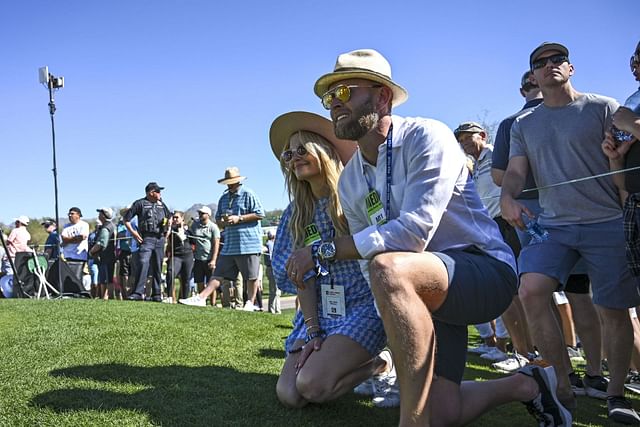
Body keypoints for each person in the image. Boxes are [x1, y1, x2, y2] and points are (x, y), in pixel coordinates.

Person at [285, 48, 572, 426]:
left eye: (344, 93)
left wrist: (322, 250)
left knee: (390, 265)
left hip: (483, 271)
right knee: (443, 413)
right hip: (419, 291)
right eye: (328, 97)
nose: (333, 105)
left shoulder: (426, 135)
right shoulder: (353, 179)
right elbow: (367, 259)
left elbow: (413, 232)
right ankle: (528, 384)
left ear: (382, 96)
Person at [501, 41, 640, 423]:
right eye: (540, 62)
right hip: (554, 226)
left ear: (570, 67)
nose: (550, 65)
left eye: (557, 59)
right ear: (533, 75)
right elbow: (514, 171)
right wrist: (507, 198)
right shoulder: (523, 124)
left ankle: (615, 394)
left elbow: (624, 155)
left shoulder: (603, 107)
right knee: (530, 290)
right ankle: (562, 384)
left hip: (606, 221)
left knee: (614, 310)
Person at [492, 71, 605, 390]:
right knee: (572, 293)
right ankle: (587, 374)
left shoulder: (515, 122)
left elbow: (502, 176)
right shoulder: (521, 123)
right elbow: (504, 176)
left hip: (549, 213)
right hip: (556, 211)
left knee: (548, 294)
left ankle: (572, 374)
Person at [269, 110, 388, 408]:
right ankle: (362, 362)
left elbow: (381, 244)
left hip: (362, 306)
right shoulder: (295, 214)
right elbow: (298, 277)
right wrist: (313, 331)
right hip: (318, 313)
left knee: (312, 385)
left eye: (302, 149)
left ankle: (380, 364)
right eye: (288, 154)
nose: (294, 157)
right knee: (290, 395)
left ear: (324, 151)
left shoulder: (355, 197)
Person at [214, 167, 265, 311]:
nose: (230, 185)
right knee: (220, 274)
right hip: (231, 244)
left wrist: (240, 218)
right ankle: (202, 297)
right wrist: (223, 221)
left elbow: (260, 214)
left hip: (249, 242)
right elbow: (218, 219)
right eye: (228, 182)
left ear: (238, 181)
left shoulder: (249, 194)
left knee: (251, 275)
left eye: (232, 182)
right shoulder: (223, 198)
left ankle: (249, 302)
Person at [124, 182, 171, 302]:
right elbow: (126, 219)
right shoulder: (139, 203)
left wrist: (167, 230)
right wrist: (134, 233)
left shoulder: (162, 204)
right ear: (151, 192)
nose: (160, 194)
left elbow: (169, 216)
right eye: (158, 191)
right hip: (146, 238)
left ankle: (157, 294)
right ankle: (138, 293)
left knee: (158, 266)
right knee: (143, 262)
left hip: (160, 238)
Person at [189, 206, 221, 301]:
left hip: (209, 259)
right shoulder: (195, 225)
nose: (200, 215)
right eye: (200, 213)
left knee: (211, 282)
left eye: (202, 213)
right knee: (199, 282)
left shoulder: (213, 227)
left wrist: (214, 260)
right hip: (198, 258)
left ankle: (213, 303)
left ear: (208, 215)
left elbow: (216, 244)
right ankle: (201, 301)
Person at [165, 211, 194, 303]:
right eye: (174, 217)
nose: (175, 219)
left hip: (187, 256)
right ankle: (169, 297)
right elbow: (165, 236)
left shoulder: (189, 231)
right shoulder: (171, 230)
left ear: (182, 219)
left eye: (177, 217)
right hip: (176, 256)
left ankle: (184, 299)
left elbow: (194, 243)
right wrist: (169, 227)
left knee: (186, 278)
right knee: (170, 272)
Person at [89, 208, 117, 300]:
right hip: (109, 256)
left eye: (100, 213)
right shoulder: (111, 225)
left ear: (103, 215)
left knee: (106, 279)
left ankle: (107, 298)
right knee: (107, 278)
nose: (98, 215)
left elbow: (101, 243)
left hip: (106, 256)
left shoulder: (106, 227)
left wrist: (92, 251)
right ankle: (107, 297)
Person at [60, 207, 90, 283]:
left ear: (78, 215)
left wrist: (68, 240)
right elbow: (63, 238)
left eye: (72, 214)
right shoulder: (66, 226)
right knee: (69, 276)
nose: (70, 215)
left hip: (79, 255)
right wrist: (74, 239)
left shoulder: (84, 225)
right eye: (69, 214)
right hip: (67, 255)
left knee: (77, 276)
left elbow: (82, 237)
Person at [264, 230, 281, 314]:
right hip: (272, 268)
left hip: (273, 268)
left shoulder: (271, 244)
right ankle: (272, 310)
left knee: (277, 291)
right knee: (274, 291)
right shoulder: (269, 244)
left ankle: (277, 310)